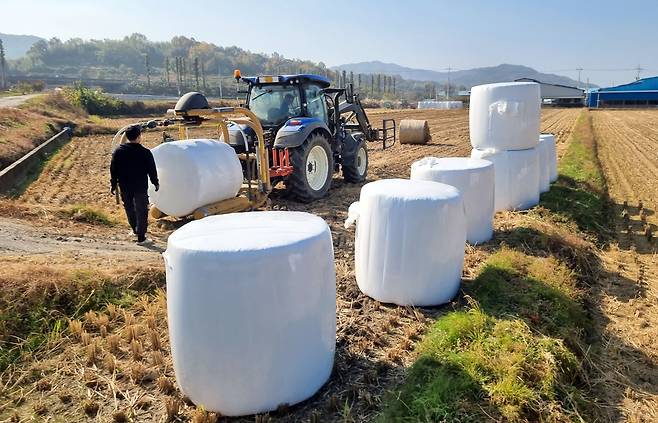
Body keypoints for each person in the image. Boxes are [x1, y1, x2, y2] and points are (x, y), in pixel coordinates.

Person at [110, 125, 159, 243]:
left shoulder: (118, 152)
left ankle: (135, 230)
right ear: (139, 137)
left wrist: (113, 184)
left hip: (125, 186)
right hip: (140, 187)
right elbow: (152, 170)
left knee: (129, 208)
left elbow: (113, 169)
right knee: (141, 210)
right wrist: (155, 182)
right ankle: (141, 238)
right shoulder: (145, 152)